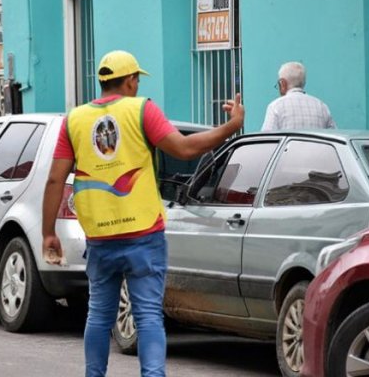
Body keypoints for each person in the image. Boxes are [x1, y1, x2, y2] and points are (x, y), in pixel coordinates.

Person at [42, 50, 244, 377]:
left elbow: (54, 178)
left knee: (99, 314)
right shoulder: (141, 110)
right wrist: (231, 126)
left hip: (101, 237)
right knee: (148, 315)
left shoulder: (74, 119)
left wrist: (48, 232)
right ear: (131, 80)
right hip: (143, 234)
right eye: (137, 79)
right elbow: (185, 148)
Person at [261, 61, 335, 131]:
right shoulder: (322, 107)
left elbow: (266, 140)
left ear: (283, 83)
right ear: (304, 83)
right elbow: (334, 136)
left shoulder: (275, 107)